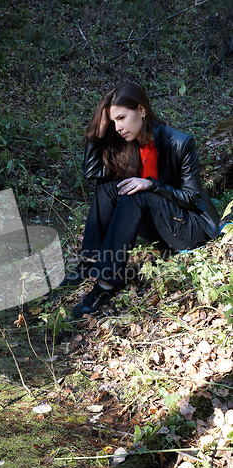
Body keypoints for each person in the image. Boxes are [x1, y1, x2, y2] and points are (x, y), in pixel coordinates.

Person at [62, 81, 220, 318]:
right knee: (109, 186)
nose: (118, 127)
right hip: (160, 227)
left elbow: (190, 198)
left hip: (190, 228)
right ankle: (90, 261)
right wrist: (98, 131)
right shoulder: (126, 142)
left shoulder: (179, 142)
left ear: (142, 110)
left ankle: (106, 285)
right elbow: (93, 173)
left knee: (137, 194)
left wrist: (151, 184)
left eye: (122, 118)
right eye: (114, 121)